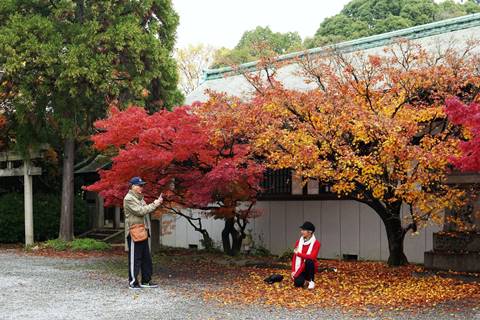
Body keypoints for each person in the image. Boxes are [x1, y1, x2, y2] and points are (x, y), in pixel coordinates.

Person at [124, 176, 163, 290]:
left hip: (143, 230)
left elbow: (145, 209)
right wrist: (155, 203)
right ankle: (133, 282)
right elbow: (141, 211)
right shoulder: (129, 198)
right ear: (133, 186)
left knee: (146, 258)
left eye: (142, 185)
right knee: (135, 258)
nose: (142, 187)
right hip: (134, 231)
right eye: (139, 185)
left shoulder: (140, 198)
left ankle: (146, 281)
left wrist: (155, 204)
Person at [291, 221, 321, 289]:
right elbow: (294, 257)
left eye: (303, 230)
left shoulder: (316, 243)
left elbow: (312, 257)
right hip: (300, 268)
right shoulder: (298, 242)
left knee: (309, 260)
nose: (301, 232)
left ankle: (311, 281)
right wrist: (293, 271)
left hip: (309, 268)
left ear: (310, 232)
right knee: (297, 283)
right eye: (301, 230)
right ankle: (305, 282)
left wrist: (298, 254)